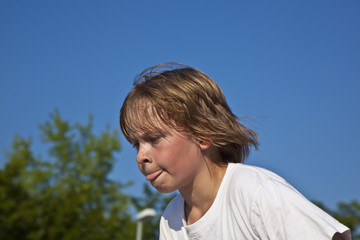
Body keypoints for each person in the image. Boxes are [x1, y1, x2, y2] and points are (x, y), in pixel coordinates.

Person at [119, 63, 351, 240]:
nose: (141, 156)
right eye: (136, 144)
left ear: (203, 133)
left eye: (154, 138)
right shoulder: (171, 221)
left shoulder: (255, 193)